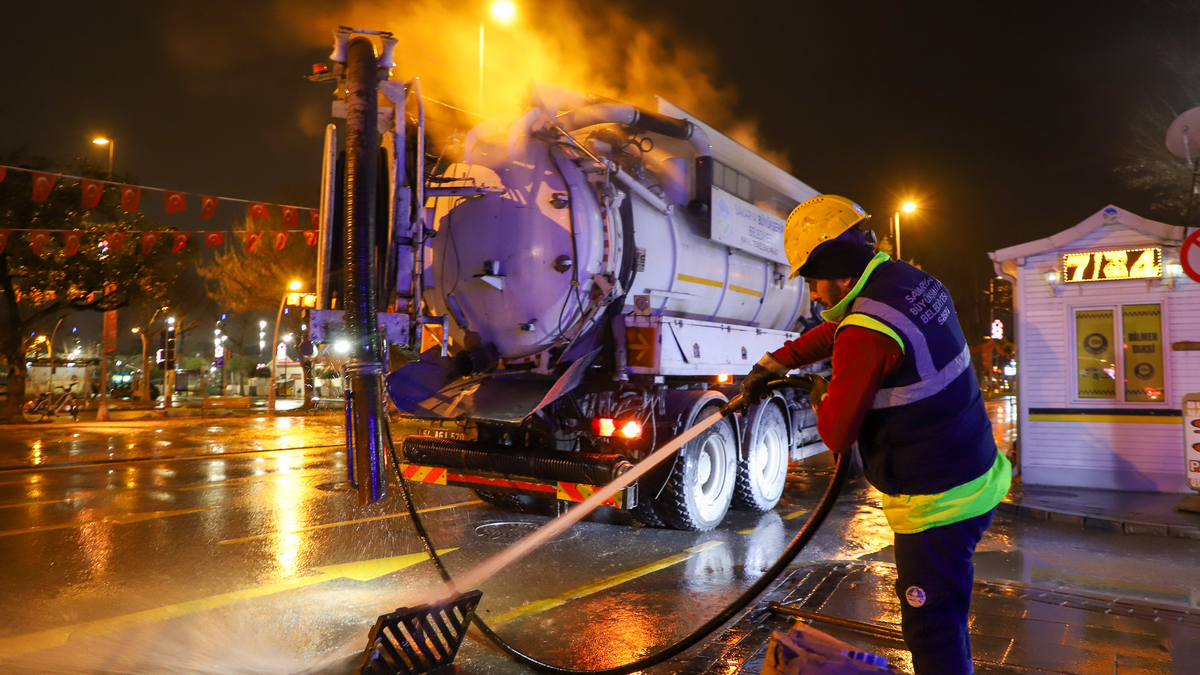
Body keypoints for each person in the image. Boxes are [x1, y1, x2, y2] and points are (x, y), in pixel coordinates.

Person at [741, 195, 1011, 675]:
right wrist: (777, 361)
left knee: (933, 628)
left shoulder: (867, 332)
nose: (815, 295)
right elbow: (839, 328)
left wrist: (821, 393)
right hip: (975, 467)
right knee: (944, 615)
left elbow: (837, 433)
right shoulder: (904, 280)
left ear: (838, 272)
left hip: (939, 502)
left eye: (813, 281)